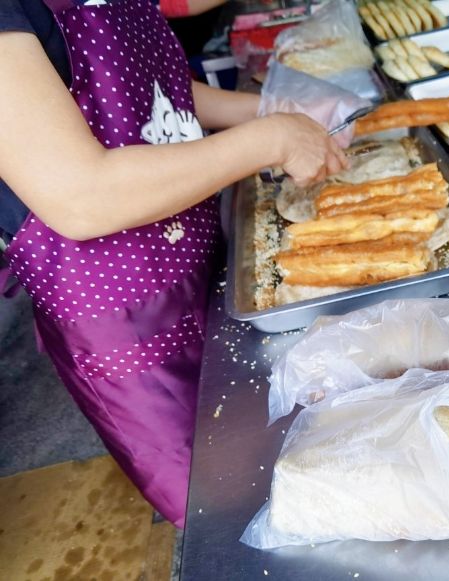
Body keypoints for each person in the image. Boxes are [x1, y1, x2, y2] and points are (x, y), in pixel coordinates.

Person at [0, 0, 348, 527]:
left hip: (204, 265)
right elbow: (78, 194)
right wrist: (269, 138)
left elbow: (152, 87)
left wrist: (273, 112)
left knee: (306, 455)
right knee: (238, 504)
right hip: (128, 332)